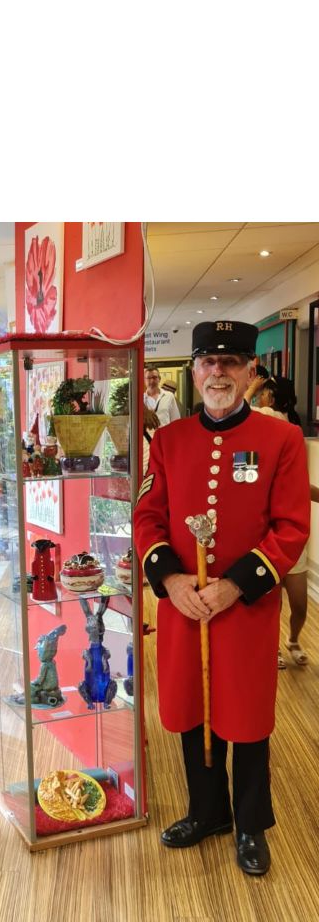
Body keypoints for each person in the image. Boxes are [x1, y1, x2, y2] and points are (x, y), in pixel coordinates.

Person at [134, 320, 310, 876]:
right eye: (209, 362)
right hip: (185, 607)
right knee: (192, 711)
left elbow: (289, 526)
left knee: (247, 715)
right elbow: (147, 517)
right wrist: (173, 581)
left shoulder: (281, 440)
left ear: (251, 371)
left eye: (231, 362)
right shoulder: (167, 441)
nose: (219, 372)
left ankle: (251, 821)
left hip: (248, 609)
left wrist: (235, 585)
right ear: (193, 370)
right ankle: (207, 810)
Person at [252, 375, 312, 669]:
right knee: (270, 599)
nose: (259, 398)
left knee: (299, 601)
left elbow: (301, 485)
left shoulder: (290, 427)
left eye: (263, 393)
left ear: (272, 397)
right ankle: (273, 646)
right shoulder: (265, 419)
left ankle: (294, 639)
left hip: (293, 529)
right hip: (268, 531)